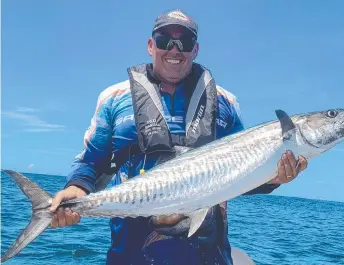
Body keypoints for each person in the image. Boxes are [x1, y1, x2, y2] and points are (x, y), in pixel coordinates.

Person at [49, 9, 308, 265]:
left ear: (194, 50)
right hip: (129, 254)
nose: (174, 49)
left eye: (184, 42)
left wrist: (274, 178)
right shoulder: (114, 98)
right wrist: (76, 188)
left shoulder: (225, 102)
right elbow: (91, 162)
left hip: (208, 254)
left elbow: (243, 172)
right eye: (165, 41)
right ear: (151, 46)